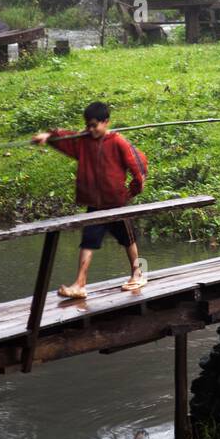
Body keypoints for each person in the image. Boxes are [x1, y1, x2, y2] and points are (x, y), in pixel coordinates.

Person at [32, 101, 147, 299]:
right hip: (95, 205)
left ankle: (138, 273)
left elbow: (138, 164)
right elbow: (67, 138)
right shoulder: (84, 142)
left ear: (106, 122)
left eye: (95, 125)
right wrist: (49, 136)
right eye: (88, 125)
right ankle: (80, 284)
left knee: (128, 239)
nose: (90, 129)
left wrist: (132, 191)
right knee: (88, 241)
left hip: (116, 205)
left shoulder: (118, 141)